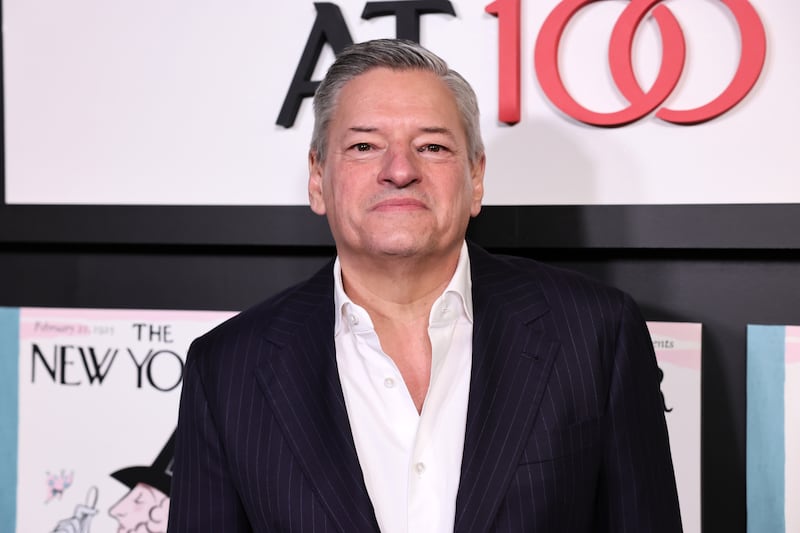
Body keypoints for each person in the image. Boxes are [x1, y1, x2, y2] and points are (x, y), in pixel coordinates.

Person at [168, 38, 682, 532]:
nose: (399, 171)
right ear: (317, 178)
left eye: (431, 146)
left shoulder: (595, 334)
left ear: (476, 179)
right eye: (365, 145)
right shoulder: (227, 368)